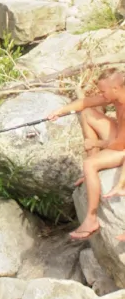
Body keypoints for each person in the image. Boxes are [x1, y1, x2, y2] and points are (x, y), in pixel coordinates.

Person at [47, 69, 125, 240]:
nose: (101, 95)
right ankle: (91, 173)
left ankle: (91, 219)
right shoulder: (114, 96)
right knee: (88, 113)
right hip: (120, 135)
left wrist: (95, 143)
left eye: (103, 91)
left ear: (115, 89)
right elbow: (85, 102)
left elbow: (120, 144)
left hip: (123, 147)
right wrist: (60, 111)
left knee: (90, 165)